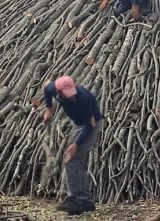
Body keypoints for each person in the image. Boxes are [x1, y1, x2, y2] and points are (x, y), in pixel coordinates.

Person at [43, 76, 104, 216]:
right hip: (78, 124)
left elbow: (91, 124)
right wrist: (49, 108)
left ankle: (79, 200)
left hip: (90, 125)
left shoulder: (85, 97)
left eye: (72, 93)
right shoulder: (53, 88)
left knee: (73, 159)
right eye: (66, 94)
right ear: (58, 91)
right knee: (71, 160)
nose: (71, 97)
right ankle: (82, 199)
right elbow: (46, 87)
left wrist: (76, 144)